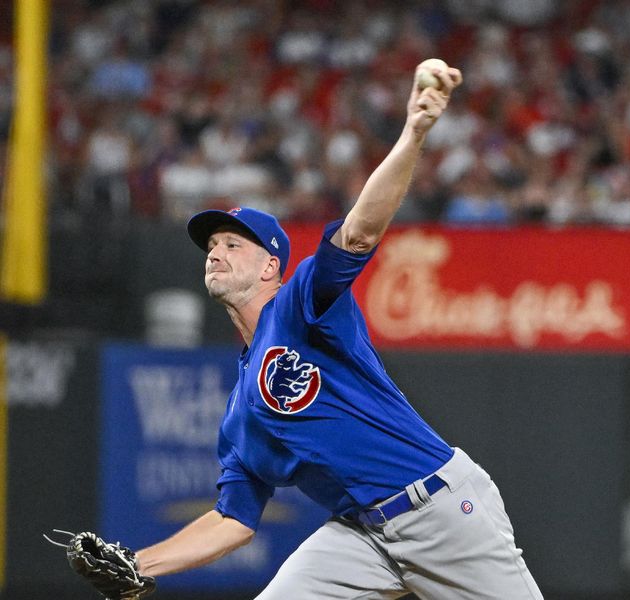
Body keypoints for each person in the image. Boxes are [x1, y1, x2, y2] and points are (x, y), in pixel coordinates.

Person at [134, 62, 544, 600]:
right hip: (361, 536)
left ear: (269, 268)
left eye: (234, 244)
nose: (216, 252)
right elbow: (233, 519)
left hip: (440, 510)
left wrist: (414, 133)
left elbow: (361, 231)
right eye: (212, 246)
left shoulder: (301, 301)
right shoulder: (240, 412)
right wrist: (141, 564)